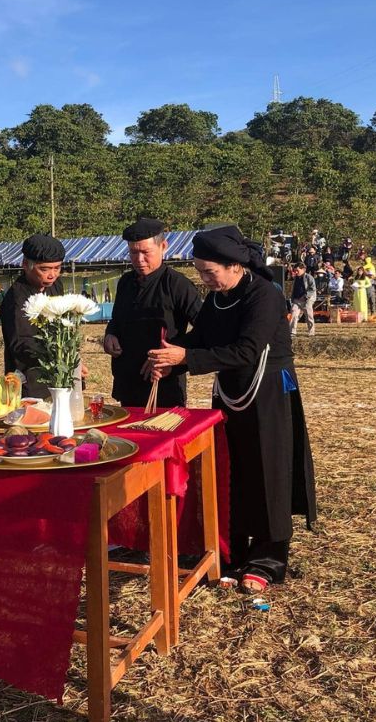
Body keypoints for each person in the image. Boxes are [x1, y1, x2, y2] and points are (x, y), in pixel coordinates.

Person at [143, 225, 317, 593]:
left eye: (211, 272)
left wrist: (186, 357)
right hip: (229, 391)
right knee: (231, 467)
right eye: (201, 272)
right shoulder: (216, 298)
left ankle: (268, 558)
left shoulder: (264, 296)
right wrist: (169, 353)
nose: (205, 280)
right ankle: (232, 549)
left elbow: (246, 351)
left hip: (267, 391)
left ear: (235, 266)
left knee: (268, 471)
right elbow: (199, 338)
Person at [102, 217, 202, 409]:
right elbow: (118, 318)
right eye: (133, 252)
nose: (139, 260)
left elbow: (203, 329)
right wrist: (110, 334)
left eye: (146, 252)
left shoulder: (177, 284)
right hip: (128, 380)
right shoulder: (125, 282)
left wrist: (172, 356)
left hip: (164, 382)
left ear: (163, 246)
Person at [2, 234, 68, 398]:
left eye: (57, 268)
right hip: (30, 378)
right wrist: (55, 357)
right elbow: (20, 344)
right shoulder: (16, 298)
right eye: (44, 269)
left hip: (60, 374)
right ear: (26, 265)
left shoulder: (56, 286)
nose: (52, 275)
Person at [289, 264, 316, 337]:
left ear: (303, 269)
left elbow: (312, 289)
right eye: (295, 271)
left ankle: (311, 332)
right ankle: (292, 331)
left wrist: (306, 296)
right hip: (296, 300)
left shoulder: (309, 277)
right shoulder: (295, 278)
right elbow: (294, 289)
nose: (296, 272)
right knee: (293, 314)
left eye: (297, 270)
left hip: (307, 300)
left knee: (309, 316)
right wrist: (293, 298)